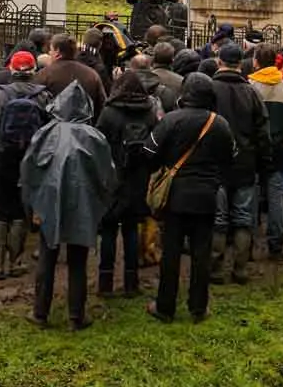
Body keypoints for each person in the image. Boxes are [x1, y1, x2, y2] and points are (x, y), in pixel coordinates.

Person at [20, 81, 116, 330]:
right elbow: (108, 175)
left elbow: (28, 170)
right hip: (83, 203)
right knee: (77, 259)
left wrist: (32, 207)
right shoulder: (94, 137)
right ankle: (76, 315)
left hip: (47, 201)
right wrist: (101, 204)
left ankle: (40, 313)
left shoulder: (45, 133)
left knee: (47, 255)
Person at [144, 72, 234, 324]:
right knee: (201, 253)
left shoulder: (171, 120)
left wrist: (164, 166)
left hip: (175, 197)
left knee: (170, 252)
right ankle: (198, 307)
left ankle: (165, 306)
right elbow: (230, 159)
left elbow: (148, 152)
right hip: (206, 196)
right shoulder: (220, 124)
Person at [0, 51, 50, 279]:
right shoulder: (44, 96)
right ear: (33, 70)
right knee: (20, 210)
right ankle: (16, 261)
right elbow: (50, 128)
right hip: (29, 159)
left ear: (11, 69)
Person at [208, 42, 271, 284]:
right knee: (243, 218)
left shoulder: (210, 90)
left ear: (219, 62)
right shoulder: (252, 92)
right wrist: (264, 162)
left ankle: (215, 269)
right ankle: (241, 269)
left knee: (219, 219)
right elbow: (262, 131)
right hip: (246, 162)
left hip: (217, 163)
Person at [94, 70, 158, 296]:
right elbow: (154, 143)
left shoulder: (109, 113)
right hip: (137, 178)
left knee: (109, 230)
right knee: (131, 229)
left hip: (112, 176)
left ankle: (105, 282)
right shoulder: (149, 112)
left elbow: (98, 142)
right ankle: (132, 283)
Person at [248, 41, 283, 260]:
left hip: (252, 149)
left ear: (256, 61)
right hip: (278, 148)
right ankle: (276, 244)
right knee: (275, 195)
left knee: (250, 195)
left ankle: (247, 242)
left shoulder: (249, 87)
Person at [35, 33, 106, 118]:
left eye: (51, 50)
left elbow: (36, 104)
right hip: (85, 127)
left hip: (51, 127)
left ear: (57, 52)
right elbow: (101, 105)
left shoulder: (44, 75)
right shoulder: (92, 75)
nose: (49, 53)